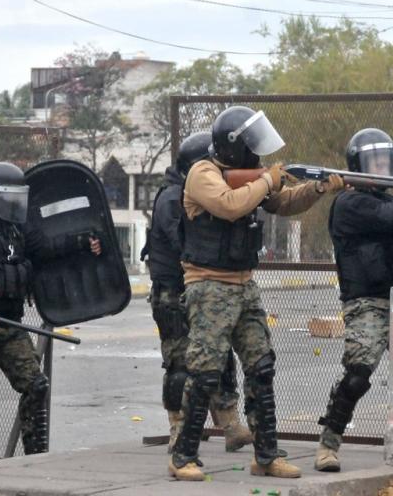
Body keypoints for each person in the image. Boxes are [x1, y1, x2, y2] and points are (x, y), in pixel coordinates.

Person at [168, 106, 345, 481]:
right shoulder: (203, 174)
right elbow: (230, 206)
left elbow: (283, 202)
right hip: (209, 285)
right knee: (205, 372)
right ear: (234, 146)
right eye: (251, 146)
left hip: (243, 284)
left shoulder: (250, 181)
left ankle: (266, 455)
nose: (258, 155)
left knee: (261, 367)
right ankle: (183, 456)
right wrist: (269, 179)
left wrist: (316, 188)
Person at [0, 162, 102, 470]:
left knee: (36, 386)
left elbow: (46, 249)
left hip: (10, 324)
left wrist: (81, 241)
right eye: (11, 198)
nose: (17, 205)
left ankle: (36, 461)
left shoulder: (16, 227)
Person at [314, 128, 393, 473]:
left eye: (386, 161)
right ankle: (328, 444)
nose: (382, 168)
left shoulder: (392, 202)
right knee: (358, 373)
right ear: (359, 165)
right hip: (367, 301)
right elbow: (386, 219)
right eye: (375, 162)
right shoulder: (350, 203)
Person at [140, 131, 252, 454]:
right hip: (173, 294)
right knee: (179, 364)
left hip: (198, 291)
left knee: (219, 357)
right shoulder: (172, 198)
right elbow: (187, 245)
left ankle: (230, 425)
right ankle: (177, 429)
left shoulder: (191, 192)